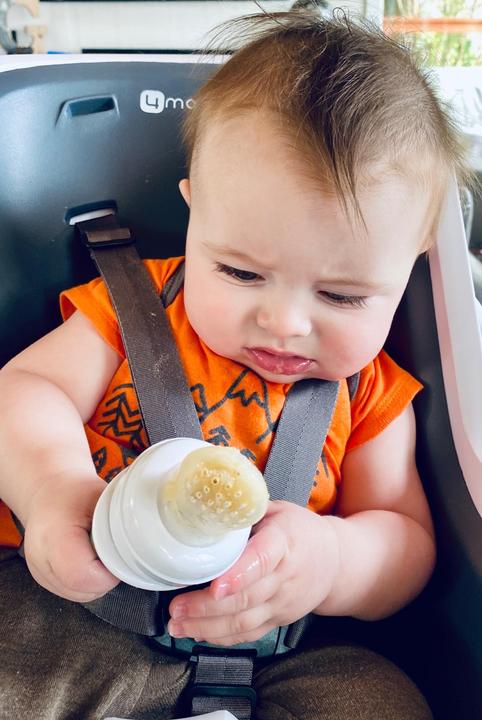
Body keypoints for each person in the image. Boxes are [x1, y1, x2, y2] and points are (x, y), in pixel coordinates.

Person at [0, 10, 470, 720]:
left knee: (385, 701)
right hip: (74, 612)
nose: (285, 323)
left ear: (413, 267)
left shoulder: (372, 391)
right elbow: (26, 390)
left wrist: (331, 560)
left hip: (280, 651)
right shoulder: (134, 311)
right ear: (195, 213)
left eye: (342, 295)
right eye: (241, 272)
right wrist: (51, 490)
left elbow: (406, 543)